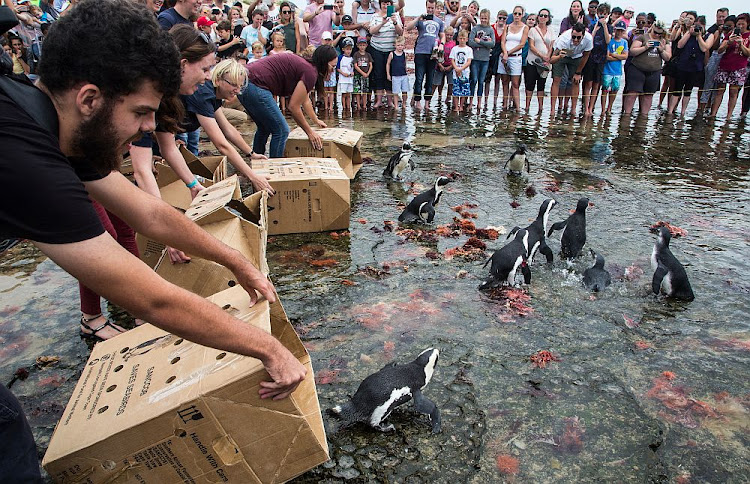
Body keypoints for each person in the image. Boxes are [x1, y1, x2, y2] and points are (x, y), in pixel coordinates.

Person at [2, 3, 308, 473]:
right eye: (141, 112)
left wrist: (236, 260)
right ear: (89, 99)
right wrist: (269, 348)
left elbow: (150, 212)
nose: (150, 127)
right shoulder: (22, 154)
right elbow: (151, 301)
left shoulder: (54, 120)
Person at [238, 45, 336, 156]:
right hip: (254, 84)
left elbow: (305, 99)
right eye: (332, 66)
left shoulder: (307, 67)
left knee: (264, 127)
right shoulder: (310, 72)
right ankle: (275, 167)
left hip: (244, 82)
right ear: (324, 63)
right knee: (282, 130)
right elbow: (293, 107)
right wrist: (310, 132)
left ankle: (257, 160)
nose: (333, 70)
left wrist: (315, 120)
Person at [622, 19, 671, 115]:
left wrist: (661, 50)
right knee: (632, 93)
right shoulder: (643, 37)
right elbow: (632, 51)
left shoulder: (664, 41)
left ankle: (643, 117)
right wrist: (645, 47)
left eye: (659, 33)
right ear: (652, 28)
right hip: (637, 68)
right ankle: (626, 115)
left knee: (648, 95)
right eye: (655, 32)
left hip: (654, 71)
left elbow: (668, 57)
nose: (657, 35)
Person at [667, 11, 709, 116]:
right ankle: (670, 111)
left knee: (688, 91)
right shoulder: (686, 31)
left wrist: (698, 36)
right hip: (682, 64)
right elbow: (680, 45)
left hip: (695, 66)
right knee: (676, 89)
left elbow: (704, 48)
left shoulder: (705, 35)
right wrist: (689, 32)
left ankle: (683, 112)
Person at [405, 0, 445, 109]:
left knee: (430, 79)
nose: (430, 10)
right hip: (420, 52)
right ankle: (417, 101)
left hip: (433, 53)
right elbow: (408, 27)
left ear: (436, 7)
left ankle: (427, 103)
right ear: (426, 6)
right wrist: (418, 18)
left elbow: (442, 35)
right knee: (419, 78)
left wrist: (442, 44)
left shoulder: (439, 22)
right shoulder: (421, 19)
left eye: (432, 8)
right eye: (429, 8)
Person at [709, 13, 750, 118]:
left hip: (739, 66)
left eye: (742, 24)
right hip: (725, 64)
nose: (740, 26)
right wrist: (729, 42)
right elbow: (720, 50)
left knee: (733, 91)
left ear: (747, 24)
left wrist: (741, 44)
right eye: (738, 24)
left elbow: (748, 53)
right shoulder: (731, 33)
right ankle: (713, 114)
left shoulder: (748, 36)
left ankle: (728, 116)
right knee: (720, 90)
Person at [550, 22, 593, 114]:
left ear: (583, 35)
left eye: (578, 37)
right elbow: (552, 59)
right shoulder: (564, 40)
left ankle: (573, 109)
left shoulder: (588, 39)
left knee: (575, 81)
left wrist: (578, 73)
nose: (576, 40)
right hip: (563, 53)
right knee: (557, 79)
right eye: (574, 37)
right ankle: (552, 110)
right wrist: (559, 57)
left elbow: (586, 55)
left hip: (577, 55)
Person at [368, 0, 403, 108]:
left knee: (390, 75)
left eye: (387, 4)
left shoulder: (396, 15)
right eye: (383, 3)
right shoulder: (375, 16)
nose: (385, 6)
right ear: (380, 4)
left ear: (391, 5)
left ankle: (389, 100)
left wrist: (395, 22)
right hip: (377, 48)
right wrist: (382, 22)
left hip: (390, 50)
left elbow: (400, 32)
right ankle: (378, 100)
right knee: (378, 74)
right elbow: (371, 31)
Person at [582, 2, 612, 116]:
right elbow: (589, 40)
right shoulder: (591, 25)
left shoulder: (609, 27)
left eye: (605, 14)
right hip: (591, 58)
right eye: (601, 13)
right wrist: (594, 29)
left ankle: (591, 107)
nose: (602, 16)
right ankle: (586, 109)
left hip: (601, 59)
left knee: (596, 84)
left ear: (608, 14)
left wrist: (604, 26)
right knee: (588, 84)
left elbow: (608, 41)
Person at [498, 6, 528, 111]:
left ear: (522, 15)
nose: (517, 16)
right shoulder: (507, 26)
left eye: (519, 14)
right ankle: (505, 105)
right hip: (505, 57)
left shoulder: (525, 27)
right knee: (505, 82)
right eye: (515, 13)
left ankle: (518, 107)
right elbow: (503, 41)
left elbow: (522, 44)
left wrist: (508, 53)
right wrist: (505, 53)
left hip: (516, 57)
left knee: (515, 83)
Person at [524, 7, 554, 113]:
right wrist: (541, 55)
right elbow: (531, 46)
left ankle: (540, 108)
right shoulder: (533, 30)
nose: (543, 17)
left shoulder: (551, 30)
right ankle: (527, 107)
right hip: (533, 60)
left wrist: (548, 57)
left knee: (542, 85)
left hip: (545, 62)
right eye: (541, 15)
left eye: (545, 16)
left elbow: (551, 45)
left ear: (548, 18)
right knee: (530, 84)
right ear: (538, 17)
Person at [700, 8, 730, 112]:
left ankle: (712, 110)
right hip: (714, 57)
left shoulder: (731, 30)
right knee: (708, 86)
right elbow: (711, 47)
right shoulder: (713, 29)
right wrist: (707, 62)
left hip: (726, 62)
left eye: (723, 17)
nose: (721, 19)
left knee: (719, 88)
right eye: (719, 17)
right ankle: (702, 110)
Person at [468, 8, 494, 108]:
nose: (483, 20)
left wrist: (480, 42)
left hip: (485, 60)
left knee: (481, 81)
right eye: (482, 18)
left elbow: (492, 44)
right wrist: (485, 43)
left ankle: (479, 102)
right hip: (475, 59)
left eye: (485, 18)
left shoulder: (490, 29)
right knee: (474, 80)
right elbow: (471, 42)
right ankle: (470, 102)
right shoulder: (475, 28)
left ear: (488, 18)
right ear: (479, 17)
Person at [601, 19, 628, 113]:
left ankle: (609, 108)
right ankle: (603, 109)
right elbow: (607, 57)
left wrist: (615, 55)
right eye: (618, 30)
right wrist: (618, 57)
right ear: (614, 30)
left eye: (621, 31)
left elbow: (625, 56)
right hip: (607, 70)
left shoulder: (624, 42)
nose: (619, 32)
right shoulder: (610, 41)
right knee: (605, 89)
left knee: (615, 89)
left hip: (617, 70)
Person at [485, 10, 507, 108]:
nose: (501, 20)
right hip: (491, 53)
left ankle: (495, 101)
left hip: (500, 53)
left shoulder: (507, 29)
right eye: (500, 18)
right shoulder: (491, 27)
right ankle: (485, 100)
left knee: (497, 79)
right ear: (497, 18)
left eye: (504, 18)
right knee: (487, 79)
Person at [450, 29, 472, 112]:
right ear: (458, 39)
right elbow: (452, 60)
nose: (462, 40)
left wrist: (461, 69)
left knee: (464, 90)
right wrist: (456, 68)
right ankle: (456, 106)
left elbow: (469, 61)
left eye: (464, 38)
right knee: (456, 90)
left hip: (465, 72)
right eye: (461, 38)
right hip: (456, 72)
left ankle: (461, 106)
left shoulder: (469, 49)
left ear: (467, 39)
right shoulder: (454, 49)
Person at [433, 24, 455, 105]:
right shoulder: (440, 42)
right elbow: (436, 55)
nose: (449, 37)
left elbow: (455, 57)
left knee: (451, 83)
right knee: (437, 82)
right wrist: (440, 65)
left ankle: (448, 97)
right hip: (440, 65)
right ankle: (438, 95)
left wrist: (451, 66)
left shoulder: (453, 44)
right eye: (447, 35)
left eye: (451, 35)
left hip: (450, 65)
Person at [386, 35, 409, 108]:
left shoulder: (404, 54)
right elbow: (388, 64)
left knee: (405, 91)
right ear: (395, 45)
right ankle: (396, 106)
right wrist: (388, 74)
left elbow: (404, 63)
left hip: (403, 75)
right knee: (395, 92)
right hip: (395, 76)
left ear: (404, 46)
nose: (400, 47)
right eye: (398, 45)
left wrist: (406, 70)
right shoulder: (392, 54)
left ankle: (404, 104)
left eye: (401, 45)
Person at [353, 36, 373, 110]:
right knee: (357, 91)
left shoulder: (368, 55)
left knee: (365, 91)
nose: (362, 47)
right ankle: (358, 105)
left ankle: (364, 105)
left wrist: (367, 73)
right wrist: (362, 73)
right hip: (357, 75)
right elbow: (355, 65)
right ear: (357, 45)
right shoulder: (356, 54)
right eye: (360, 45)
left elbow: (371, 65)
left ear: (366, 45)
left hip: (366, 76)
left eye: (363, 45)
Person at [338, 37, 355, 112]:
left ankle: (348, 107)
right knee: (343, 94)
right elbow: (338, 68)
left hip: (350, 79)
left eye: (350, 49)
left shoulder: (352, 58)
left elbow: (353, 68)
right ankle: (344, 107)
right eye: (347, 49)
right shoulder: (340, 57)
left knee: (349, 95)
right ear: (343, 49)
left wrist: (352, 73)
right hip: (343, 79)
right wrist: (343, 73)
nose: (348, 51)